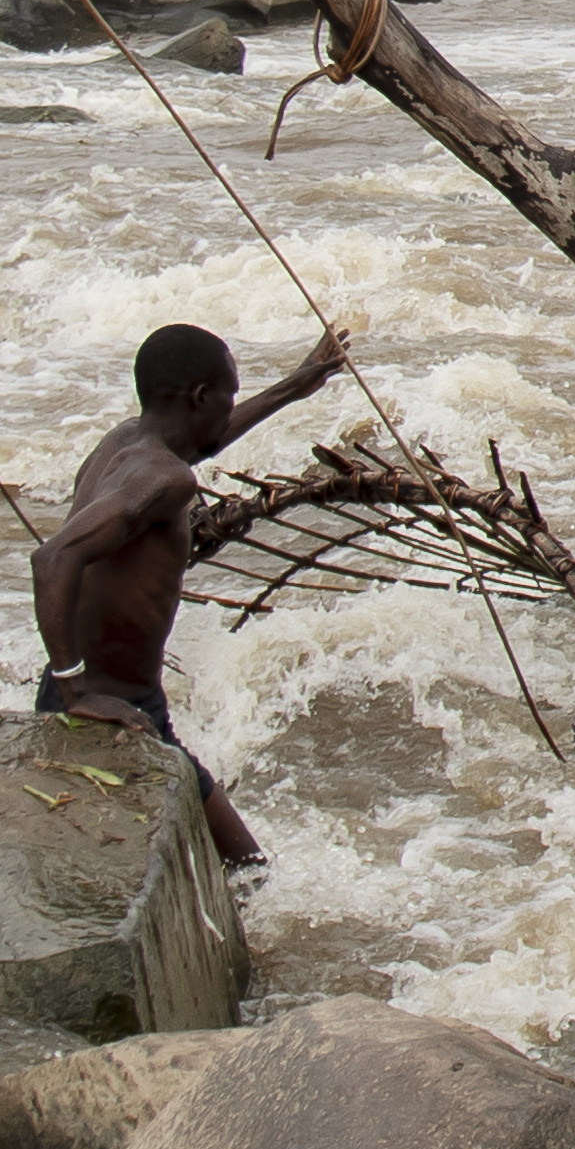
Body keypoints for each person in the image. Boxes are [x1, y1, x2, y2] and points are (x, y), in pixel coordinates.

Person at [29, 313, 357, 867]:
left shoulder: (125, 444)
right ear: (200, 398)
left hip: (116, 696)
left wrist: (294, 387)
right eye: (229, 397)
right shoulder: (166, 478)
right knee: (249, 869)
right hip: (115, 706)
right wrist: (77, 693)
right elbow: (52, 557)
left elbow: (202, 442)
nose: (232, 407)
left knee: (222, 862)